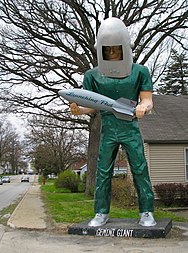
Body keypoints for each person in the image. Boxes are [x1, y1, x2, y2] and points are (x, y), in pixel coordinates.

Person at [70, 17, 156, 227]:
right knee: (103, 170)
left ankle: (146, 211)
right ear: (101, 50)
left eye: (116, 49)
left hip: (130, 127)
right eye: (108, 50)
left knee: (139, 168)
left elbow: (147, 99)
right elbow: (93, 104)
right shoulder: (92, 75)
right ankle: (101, 212)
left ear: (125, 47)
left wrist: (143, 107)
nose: (112, 53)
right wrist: (79, 110)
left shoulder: (140, 71)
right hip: (108, 128)